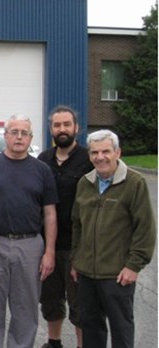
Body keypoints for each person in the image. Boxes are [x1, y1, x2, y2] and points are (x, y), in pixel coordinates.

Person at [0, 114, 58, 348]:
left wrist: (49, 251)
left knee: (26, 305)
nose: (19, 137)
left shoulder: (42, 170)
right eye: (14, 132)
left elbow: (50, 213)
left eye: (24, 133)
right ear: (5, 136)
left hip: (30, 245)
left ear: (31, 138)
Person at [70, 130, 156, 348]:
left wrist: (133, 266)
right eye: (95, 152)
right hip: (87, 273)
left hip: (118, 274)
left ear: (117, 152)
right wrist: (76, 260)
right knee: (91, 327)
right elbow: (77, 225)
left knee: (121, 329)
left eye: (106, 151)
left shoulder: (134, 183)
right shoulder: (85, 183)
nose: (100, 157)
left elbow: (145, 228)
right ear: (89, 155)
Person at [37, 106, 93, 348]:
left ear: (76, 128)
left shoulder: (89, 160)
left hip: (77, 245)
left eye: (66, 125)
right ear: (51, 129)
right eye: (57, 125)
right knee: (50, 299)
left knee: (80, 303)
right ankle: (54, 342)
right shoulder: (43, 160)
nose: (62, 129)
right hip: (47, 244)